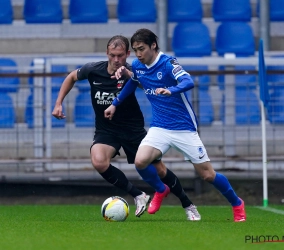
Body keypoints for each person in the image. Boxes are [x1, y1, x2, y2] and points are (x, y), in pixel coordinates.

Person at [52, 35, 201, 220]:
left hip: (132, 129)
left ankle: (187, 204)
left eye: (120, 56)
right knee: (99, 161)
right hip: (106, 129)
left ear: (127, 54)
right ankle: (138, 195)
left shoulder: (133, 70)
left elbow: (142, 83)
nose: (116, 60)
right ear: (107, 53)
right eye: (113, 55)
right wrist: (58, 103)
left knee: (160, 170)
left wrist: (128, 74)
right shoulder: (93, 70)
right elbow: (72, 77)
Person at [104, 29, 246, 222]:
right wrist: (115, 104)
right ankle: (161, 190)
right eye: (135, 50)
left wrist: (171, 90)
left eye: (141, 49)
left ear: (153, 45)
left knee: (207, 175)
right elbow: (133, 83)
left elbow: (188, 81)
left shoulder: (169, 63)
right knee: (140, 161)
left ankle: (237, 203)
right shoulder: (138, 65)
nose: (138, 54)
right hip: (160, 127)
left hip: (184, 128)